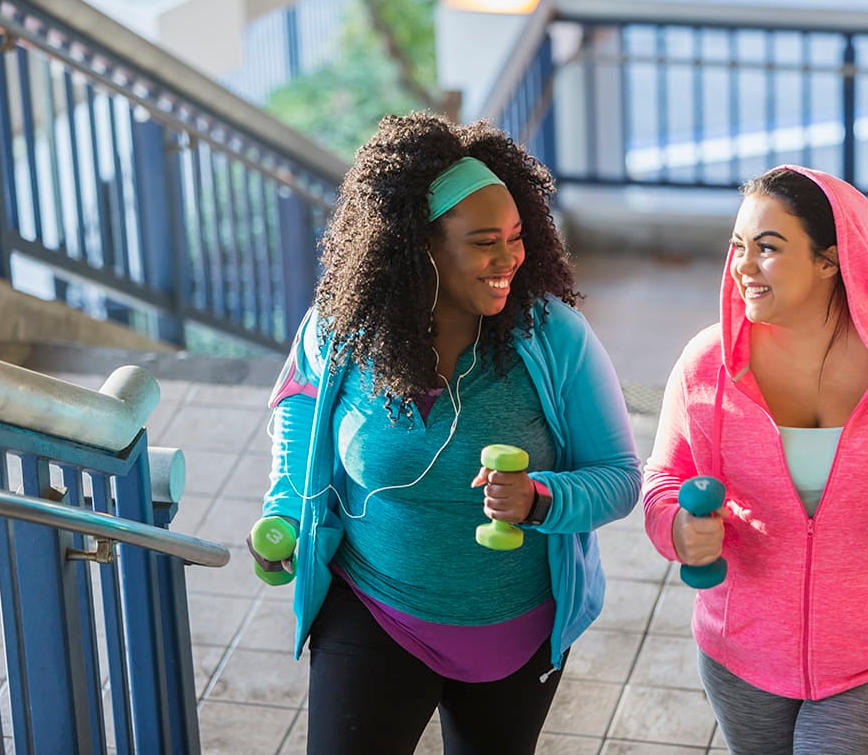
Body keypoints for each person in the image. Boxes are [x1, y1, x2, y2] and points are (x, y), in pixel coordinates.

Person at [248, 111, 640, 754]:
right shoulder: (344, 327)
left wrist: (541, 499)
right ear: (418, 246)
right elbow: (298, 405)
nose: (510, 258)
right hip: (374, 609)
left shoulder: (556, 338)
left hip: (516, 631)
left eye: (517, 236)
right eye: (486, 241)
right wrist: (286, 507)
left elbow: (621, 478)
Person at [641, 165, 868, 755]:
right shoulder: (704, 364)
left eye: (767, 248)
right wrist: (677, 529)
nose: (742, 266)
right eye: (738, 246)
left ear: (830, 260)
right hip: (741, 651)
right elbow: (664, 480)